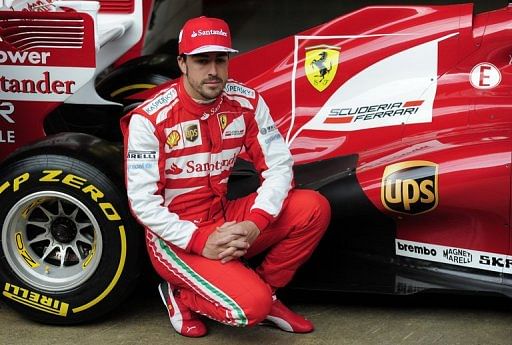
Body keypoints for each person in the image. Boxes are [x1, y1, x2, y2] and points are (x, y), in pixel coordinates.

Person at [121, 16, 331, 338]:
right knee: (249, 309)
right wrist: (200, 240)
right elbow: (142, 204)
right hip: (176, 237)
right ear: (182, 63)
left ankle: (267, 291)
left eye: (221, 59)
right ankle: (181, 296)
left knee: (312, 207)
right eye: (202, 60)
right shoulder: (150, 119)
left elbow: (279, 167)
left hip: (226, 219)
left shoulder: (246, 102)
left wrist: (254, 223)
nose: (213, 71)